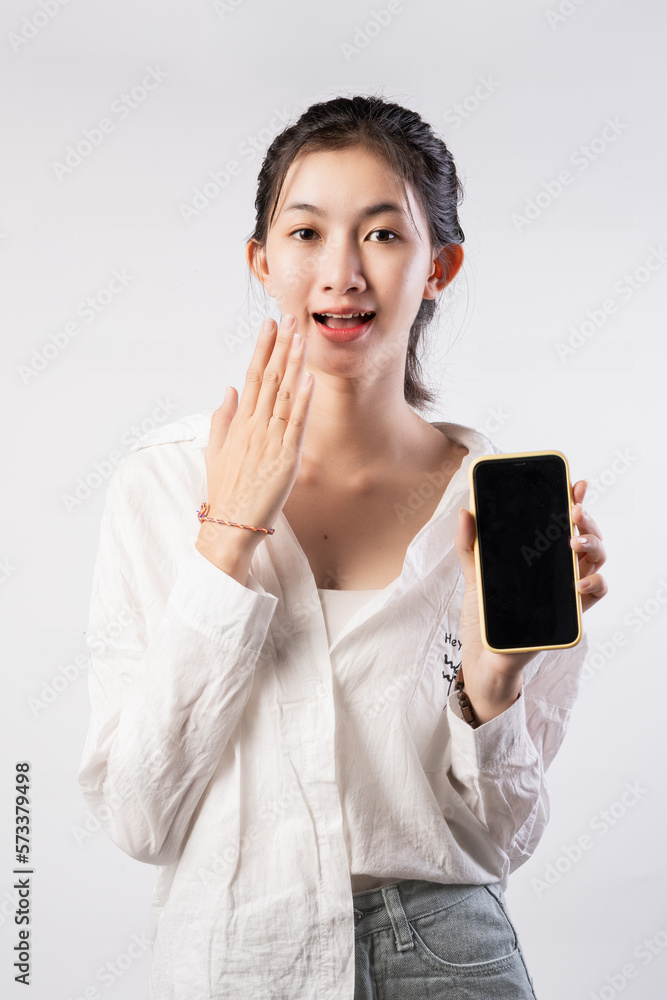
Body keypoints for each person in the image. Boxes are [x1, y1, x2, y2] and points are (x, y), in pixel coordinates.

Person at [77, 93, 607, 1000]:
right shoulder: (160, 486)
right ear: (261, 261)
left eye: (383, 235)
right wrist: (227, 539)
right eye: (306, 233)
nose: (341, 273)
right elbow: (137, 816)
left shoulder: (504, 508)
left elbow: (505, 838)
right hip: (241, 960)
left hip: (451, 952)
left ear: (440, 266)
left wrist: (493, 685)